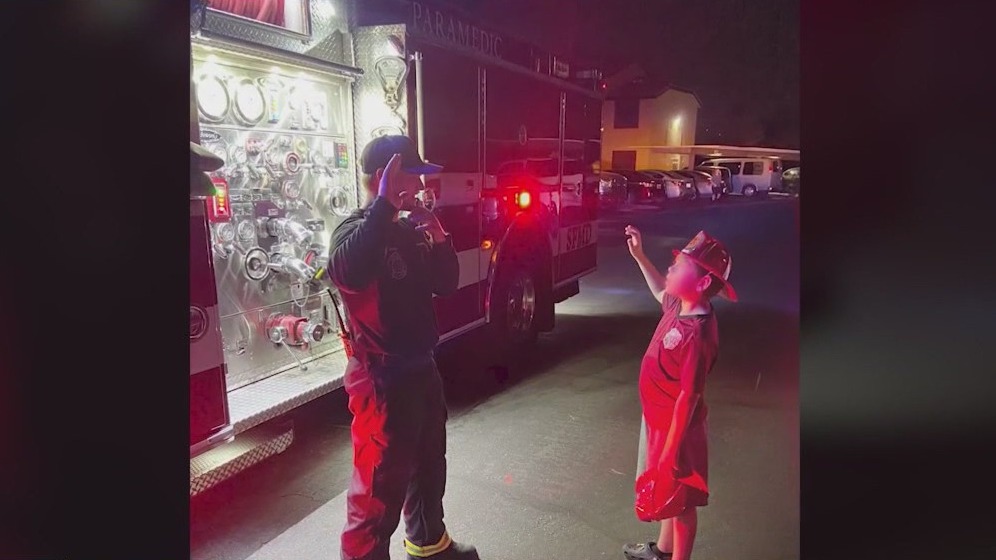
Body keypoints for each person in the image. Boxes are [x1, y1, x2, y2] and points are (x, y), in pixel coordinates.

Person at [328, 135, 479, 560]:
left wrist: (439, 235)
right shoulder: (354, 231)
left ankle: (429, 544)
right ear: (385, 177)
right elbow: (348, 271)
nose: (420, 185)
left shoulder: (408, 229)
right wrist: (383, 205)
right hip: (382, 379)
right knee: (378, 488)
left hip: (421, 369)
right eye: (412, 176)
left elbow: (446, 283)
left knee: (429, 465)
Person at [621, 227, 738, 560]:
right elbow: (660, 289)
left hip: (678, 430)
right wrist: (640, 256)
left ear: (702, 283)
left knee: (683, 500)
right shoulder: (680, 303)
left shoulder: (698, 334)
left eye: (680, 266)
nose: (671, 268)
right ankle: (662, 551)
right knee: (668, 492)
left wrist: (671, 450)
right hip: (658, 419)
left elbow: (689, 395)